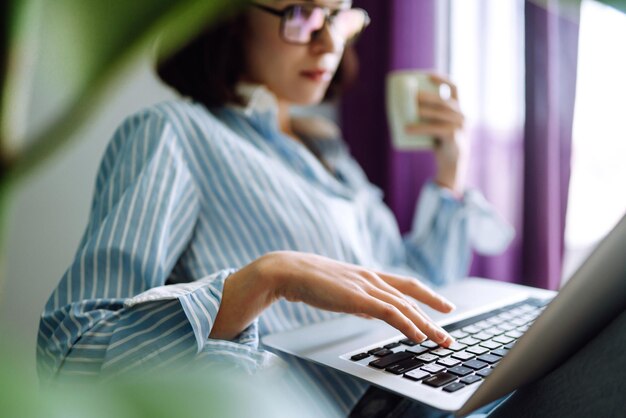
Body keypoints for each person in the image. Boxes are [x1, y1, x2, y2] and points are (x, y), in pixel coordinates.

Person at [37, 1, 514, 416]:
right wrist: (265, 279)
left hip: (424, 396)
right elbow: (70, 356)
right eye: (302, 15)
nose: (329, 44)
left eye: (337, 16)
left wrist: (450, 171)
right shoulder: (173, 133)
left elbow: (419, 292)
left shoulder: (330, 157)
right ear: (226, 16)